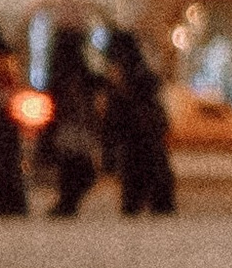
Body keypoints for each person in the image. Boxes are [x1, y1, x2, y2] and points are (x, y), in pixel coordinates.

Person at [100, 27, 175, 217]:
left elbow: (116, 116)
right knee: (144, 180)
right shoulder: (138, 76)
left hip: (140, 137)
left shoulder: (134, 78)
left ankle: (147, 206)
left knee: (144, 179)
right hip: (139, 138)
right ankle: (146, 206)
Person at [41, 17, 101, 220]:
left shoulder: (63, 71)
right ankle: (67, 202)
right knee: (78, 167)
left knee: (73, 166)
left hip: (69, 126)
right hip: (72, 126)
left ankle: (67, 202)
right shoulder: (75, 72)